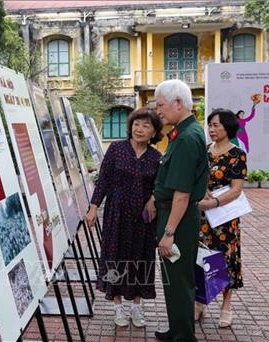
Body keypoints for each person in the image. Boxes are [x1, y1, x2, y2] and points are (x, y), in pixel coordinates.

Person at [86, 107, 162, 328]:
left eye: (146, 125)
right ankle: (118, 307)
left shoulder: (156, 157)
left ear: (154, 131)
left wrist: (154, 198)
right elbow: (104, 181)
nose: (139, 129)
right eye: (137, 124)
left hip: (143, 218)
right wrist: (93, 207)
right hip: (116, 214)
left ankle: (136, 307)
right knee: (114, 256)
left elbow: (160, 185)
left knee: (141, 258)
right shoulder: (117, 149)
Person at [148, 79, 208, 341]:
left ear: (179, 103)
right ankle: (177, 329)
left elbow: (182, 195)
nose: (157, 110)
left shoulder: (186, 138)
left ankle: (184, 336)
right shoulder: (183, 133)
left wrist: (169, 232)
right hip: (173, 215)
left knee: (180, 279)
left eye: (160, 105)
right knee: (174, 279)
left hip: (177, 219)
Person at [195, 108, 247, 328]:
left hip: (225, 217)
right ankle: (201, 303)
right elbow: (196, 178)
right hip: (202, 217)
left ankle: (227, 306)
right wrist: (201, 192)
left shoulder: (237, 154)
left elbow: (236, 189)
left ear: (228, 127)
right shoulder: (205, 151)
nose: (212, 129)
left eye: (216, 125)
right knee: (202, 257)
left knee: (225, 259)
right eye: (210, 125)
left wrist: (214, 202)